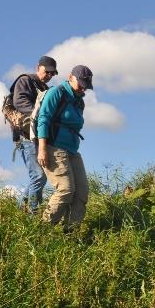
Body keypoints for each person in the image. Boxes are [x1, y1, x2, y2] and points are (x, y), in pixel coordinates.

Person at [36, 65, 92, 229]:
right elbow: (44, 119)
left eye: (86, 85)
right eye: (81, 84)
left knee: (81, 193)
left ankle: (70, 233)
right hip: (54, 148)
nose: (83, 88)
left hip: (73, 151)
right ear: (70, 78)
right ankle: (43, 230)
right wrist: (42, 149)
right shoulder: (57, 92)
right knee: (65, 190)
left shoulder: (79, 102)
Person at [11, 55, 58, 213]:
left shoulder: (45, 89)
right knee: (38, 176)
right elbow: (20, 102)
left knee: (39, 177)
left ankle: (20, 213)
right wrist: (42, 114)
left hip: (39, 138)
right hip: (26, 137)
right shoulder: (25, 81)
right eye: (48, 72)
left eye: (53, 74)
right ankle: (32, 214)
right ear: (38, 67)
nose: (50, 76)